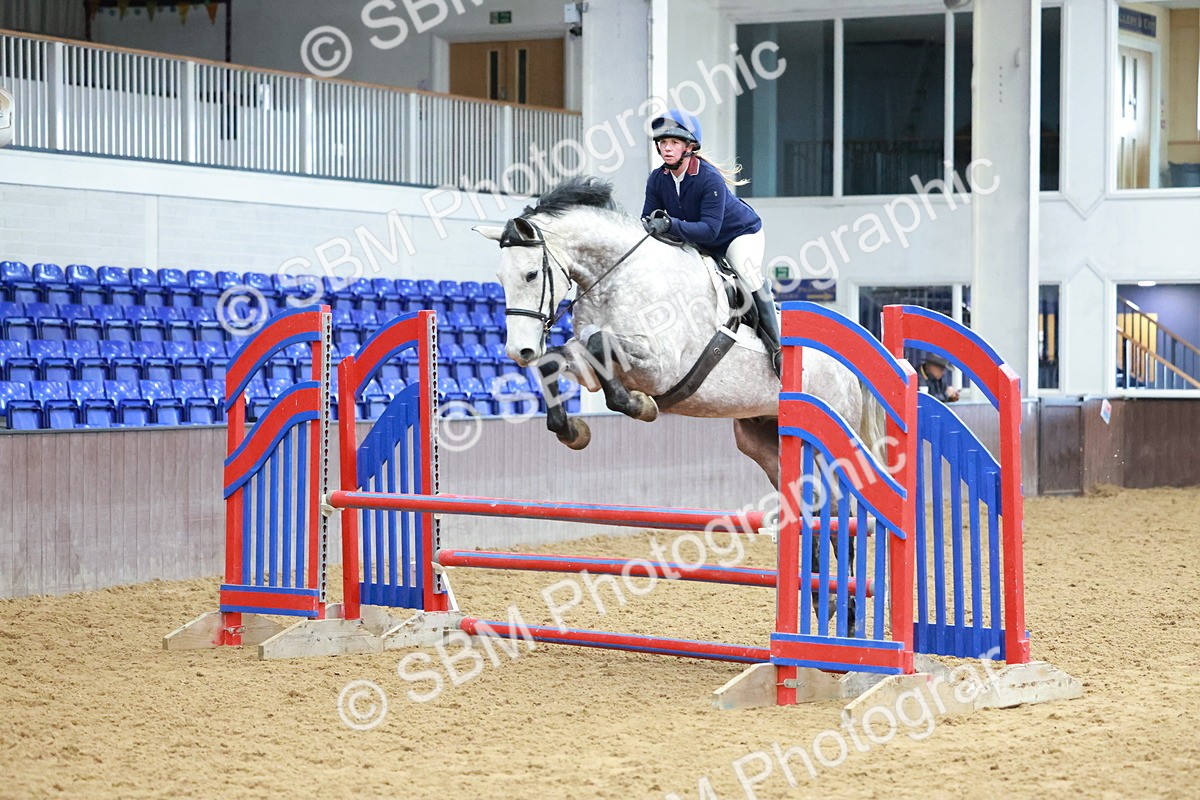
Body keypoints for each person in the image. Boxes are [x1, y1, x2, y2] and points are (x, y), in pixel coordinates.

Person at [639, 109, 781, 375]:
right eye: (663, 143)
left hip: (736, 236)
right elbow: (647, 218)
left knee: (747, 275)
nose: (667, 148)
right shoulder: (658, 179)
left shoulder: (708, 178)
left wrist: (670, 225)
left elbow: (709, 231)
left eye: (674, 143)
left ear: (689, 147)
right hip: (696, 238)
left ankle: (777, 348)